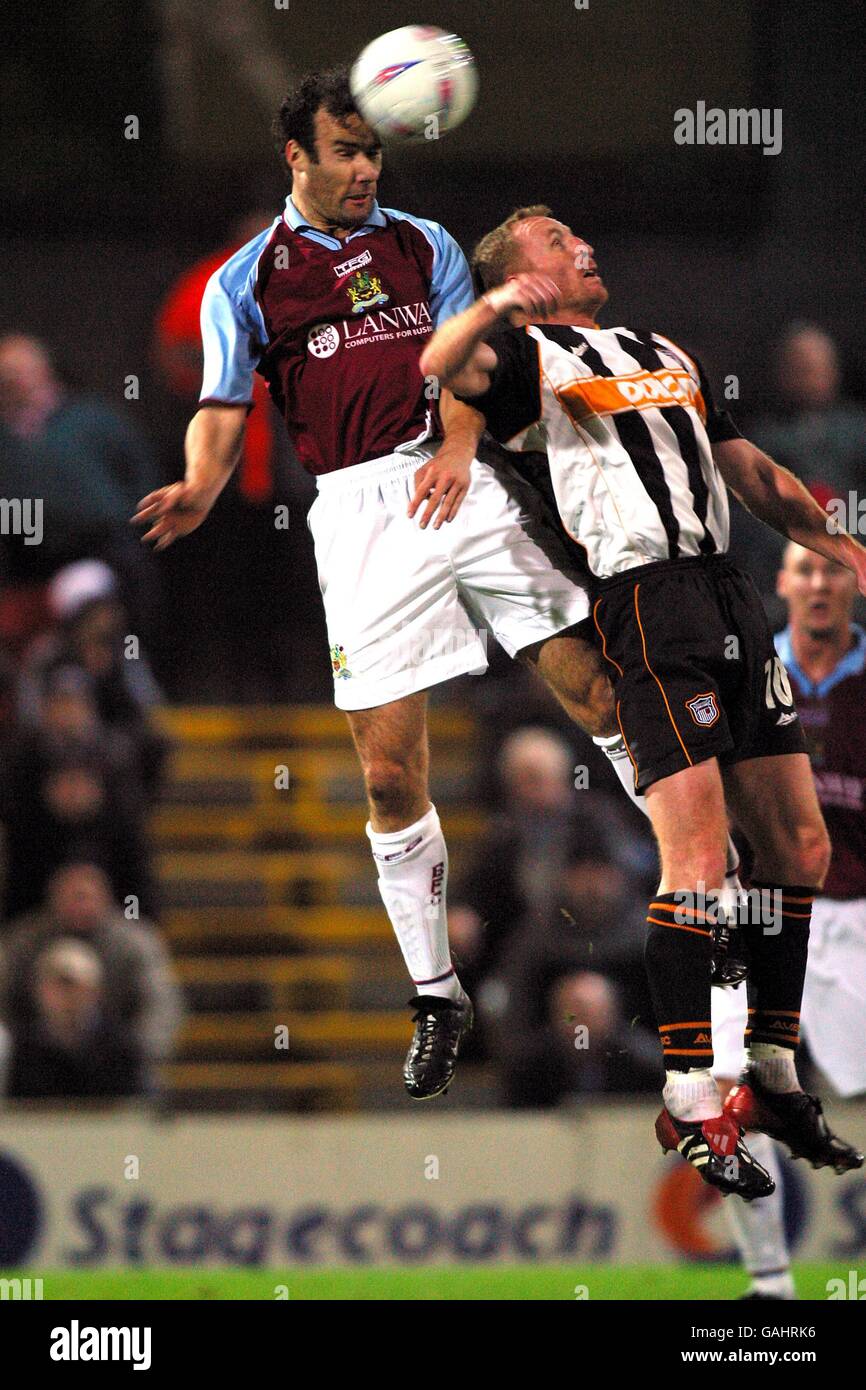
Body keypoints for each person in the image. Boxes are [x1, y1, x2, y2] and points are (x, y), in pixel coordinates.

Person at [131, 71, 646, 1102]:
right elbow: (224, 406)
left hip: (460, 484)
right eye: (345, 152)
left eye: (375, 153)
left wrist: (458, 449)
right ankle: (434, 992)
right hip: (359, 515)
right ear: (298, 157)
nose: (365, 169)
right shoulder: (245, 280)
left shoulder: (426, 246)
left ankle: (701, 886)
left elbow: (471, 369)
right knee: (384, 775)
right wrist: (199, 482)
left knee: (595, 689)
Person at [420, 205, 865, 1195]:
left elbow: (739, 465)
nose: (582, 245)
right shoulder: (523, 356)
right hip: (644, 603)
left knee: (799, 847)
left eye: (580, 237)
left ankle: (773, 1063)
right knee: (696, 856)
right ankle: (690, 1093)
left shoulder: (662, 348)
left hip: (729, 596)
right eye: (554, 240)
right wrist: (496, 297)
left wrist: (834, 540)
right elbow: (436, 365)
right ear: (518, 271)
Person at [713, 542, 866, 1298]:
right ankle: (770, 1283)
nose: (817, 584)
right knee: (721, 1092)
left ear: (854, 582)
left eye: (832, 568)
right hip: (758, 913)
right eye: (804, 569)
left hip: (857, 916)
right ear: (781, 583)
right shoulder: (743, 671)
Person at [0, 862, 182, 1096]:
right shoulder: (23, 941)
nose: (78, 906)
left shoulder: (134, 943)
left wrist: (139, 1053)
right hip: (31, 1058)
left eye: (84, 897)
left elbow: (161, 1006)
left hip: (115, 1058)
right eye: (70, 897)